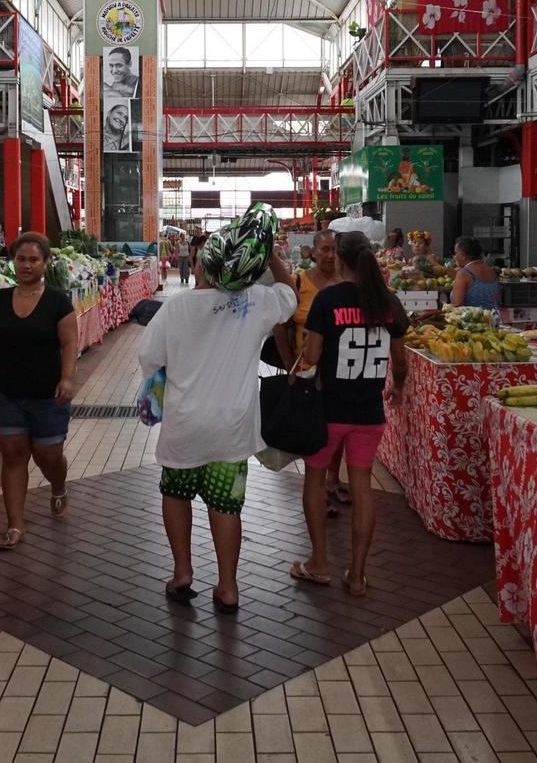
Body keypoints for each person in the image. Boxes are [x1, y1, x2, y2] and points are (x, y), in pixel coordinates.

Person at [137, 238, 297, 613]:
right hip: (233, 428)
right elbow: (289, 294)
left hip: (184, 426)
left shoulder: (175, 309)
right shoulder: (255, 301)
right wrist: (269, 252)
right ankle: (228, 587)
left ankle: (182, 573)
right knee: (226, 506)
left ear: (197, 267)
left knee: (176, 495)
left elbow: (148, 358)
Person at [289, 232, 408, 597]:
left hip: (328, 409)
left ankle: (319, 564)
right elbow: (400, 362)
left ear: (339, 260)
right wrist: (397, 388)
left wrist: (303, 361)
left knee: (313, 481)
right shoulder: (387, 302)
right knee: (363, 489)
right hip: (369, 413)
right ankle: (357, 575)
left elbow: (311, 356)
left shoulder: (328, 300)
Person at [0, 233, 79, 551]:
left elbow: (69, 343)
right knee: (14, 456)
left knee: (49, 456)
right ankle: (15, 525)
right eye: (21, 259)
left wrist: (67, 378)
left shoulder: (58, 301)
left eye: (33, 259)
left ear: (45, 263)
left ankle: (58, 485)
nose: (26, 265)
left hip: (48, 395)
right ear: (13, 261)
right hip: (6, 392)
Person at [269, 230, 348, 514]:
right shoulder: (299, 282)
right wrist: (289, 362)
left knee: (335, 430)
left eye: (335, 250)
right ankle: (317, 488)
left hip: (340, 374)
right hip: (305, 371)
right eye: (325, 249)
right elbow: (281, 326)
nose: (330, 255)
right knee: (312, 429)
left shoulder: (348, 285)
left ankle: (332, 479)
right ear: (313, 252)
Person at [450, 236, 499, 310]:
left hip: (473, 320)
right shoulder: (491, 271)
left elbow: (457, 306)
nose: (455, 257)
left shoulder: (463, 274)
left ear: (463, 256)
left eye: (456, 253)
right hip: (492, 319)